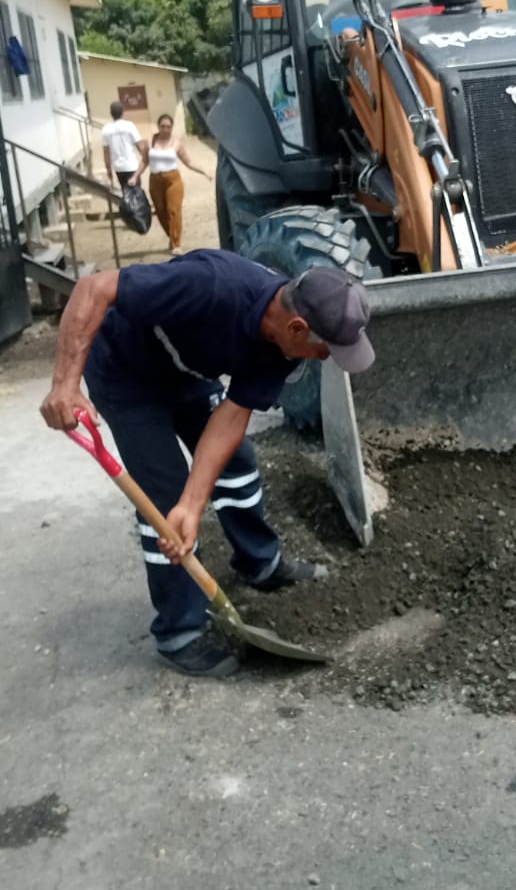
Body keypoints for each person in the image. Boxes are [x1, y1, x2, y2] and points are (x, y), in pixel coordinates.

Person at [40, 252, 375, 679]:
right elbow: (94, 287)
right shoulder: (210, 286)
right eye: (324, 349)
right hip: (126, 371)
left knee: (236, 462)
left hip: (187, 370)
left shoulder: (286, 348)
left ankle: (259, 563)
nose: (324, 358)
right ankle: (179, 631)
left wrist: (195, 504)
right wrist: (65, 384)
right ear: (297, 328)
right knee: (164, 499)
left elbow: (232, 417)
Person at [135, 113, 212, 257]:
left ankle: (177, 244)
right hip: (155, 180)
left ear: (172, 127)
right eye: (162, 126)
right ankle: (171, 237)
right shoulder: (151, 141)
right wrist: (135, 176)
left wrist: (204, 172)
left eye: (168, 127)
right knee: (161, 212)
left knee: (173, 210)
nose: (165, 129)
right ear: (158, 126)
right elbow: (144, 161)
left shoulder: (176, 144)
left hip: (173, 180)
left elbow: (188, 162)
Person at [102, 100, 147, 191]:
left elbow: (106, 152)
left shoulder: (106, 129)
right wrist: (146, 159)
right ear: (123, 112)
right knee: (136, 193)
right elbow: (139, 145)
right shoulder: (129, 126)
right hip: (132, 166)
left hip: (118, 168)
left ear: (111, 113)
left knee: (126, 192)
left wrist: (108, 169)